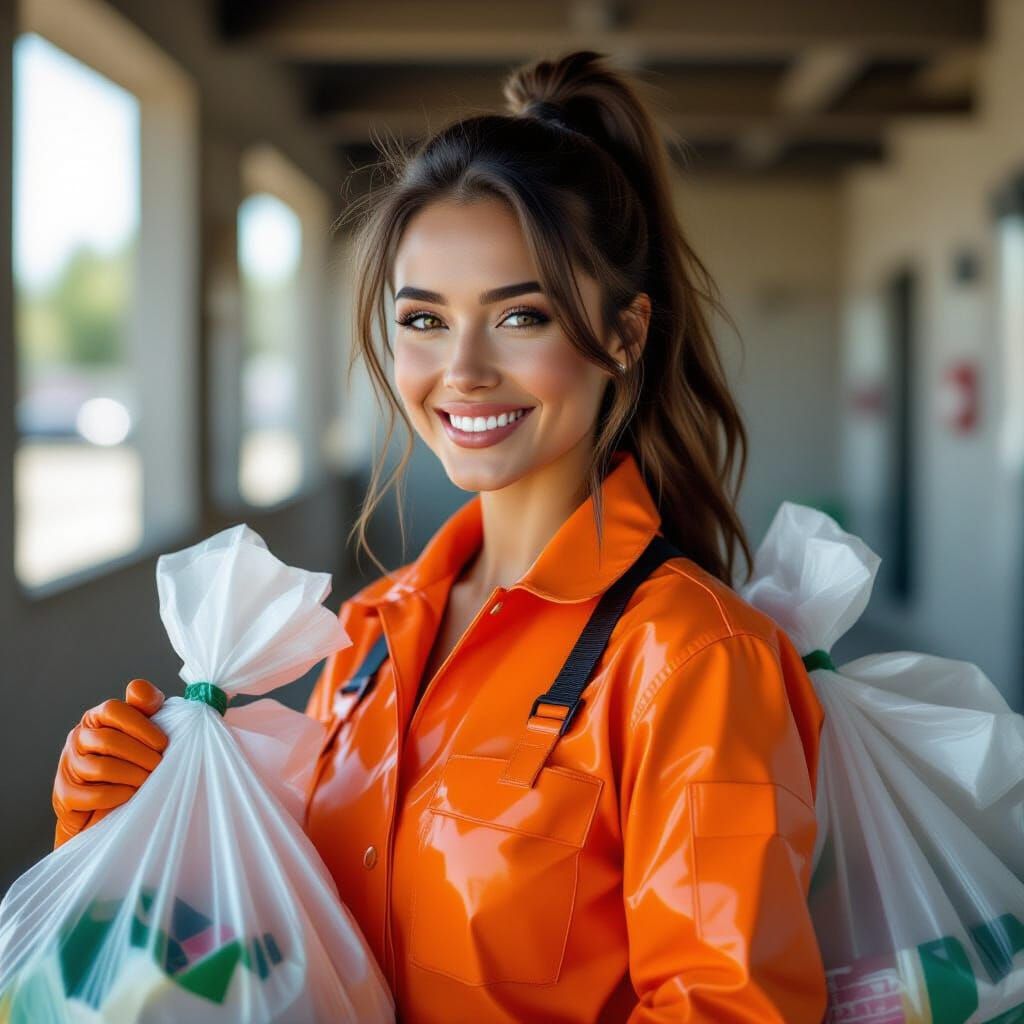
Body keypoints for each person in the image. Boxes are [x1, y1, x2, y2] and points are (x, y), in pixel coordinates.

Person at [50, 50, 829, 1022]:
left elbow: (731, 1008)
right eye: (423, 318)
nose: (460, 370)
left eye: (519, 316)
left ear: (626, 333)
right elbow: (287, 945)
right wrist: (130, 819)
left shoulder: (691, 659)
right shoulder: (371, 634)